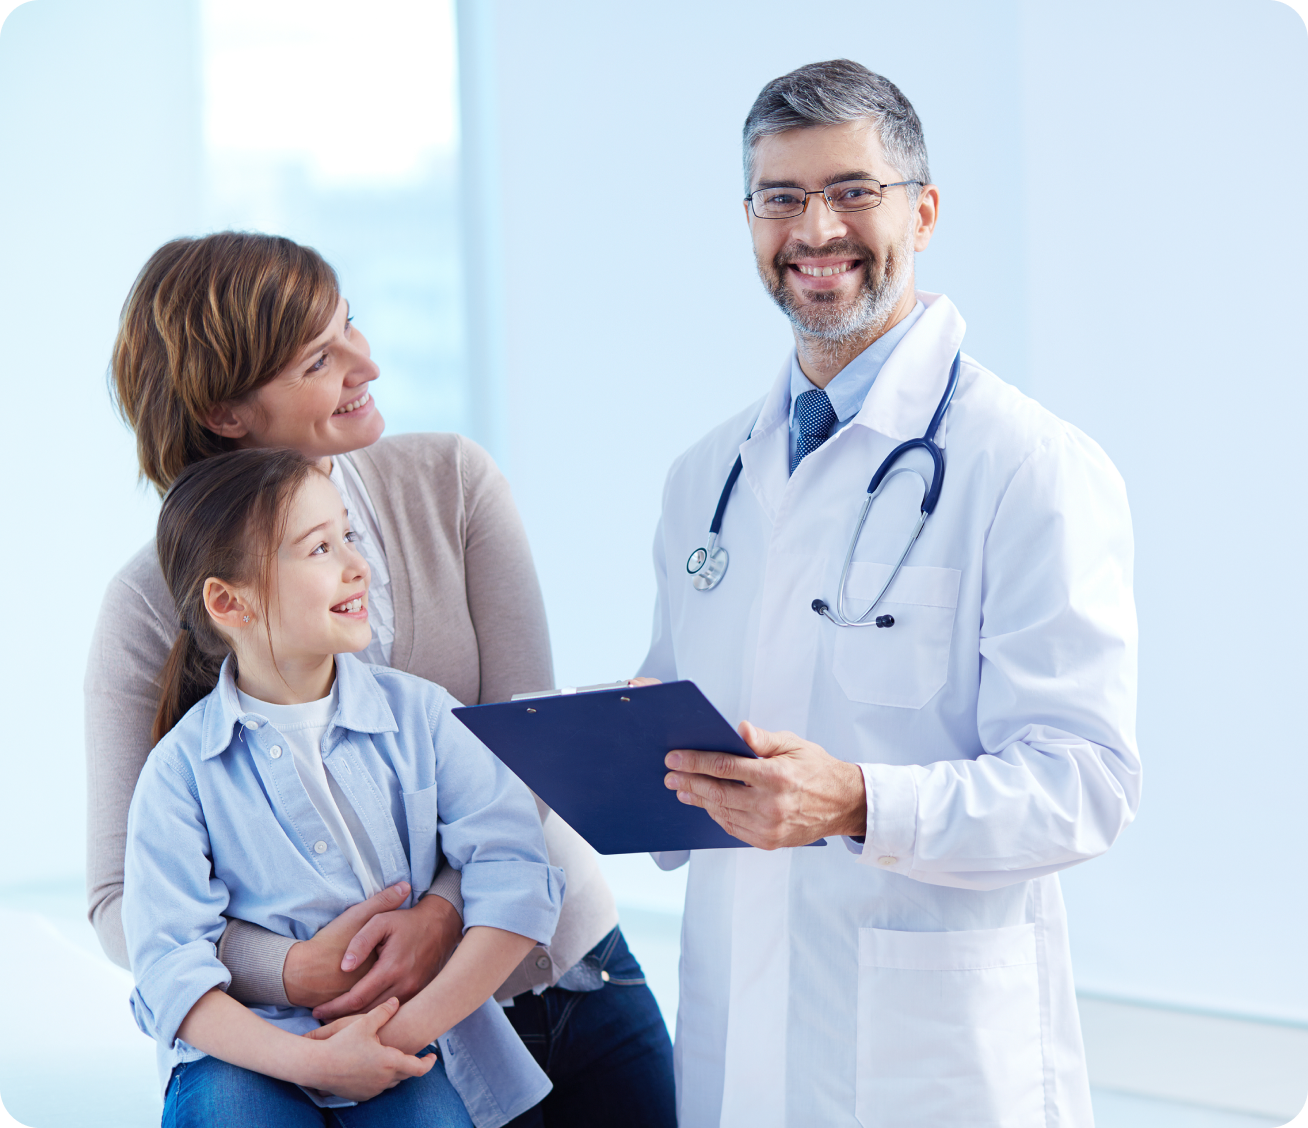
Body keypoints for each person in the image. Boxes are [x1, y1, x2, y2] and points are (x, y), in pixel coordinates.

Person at [640, 60, 1140, 1127]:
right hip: (740, 1052)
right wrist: (622, 750)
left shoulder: (1028, 466)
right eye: (781, 198)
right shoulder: (705, 480)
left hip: (933, 1067)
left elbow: (1085, 782)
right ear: (749, 221)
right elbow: (686, 728)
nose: (816, 227)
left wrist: (860, 801)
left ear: (925, 209)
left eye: (853, 191)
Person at [87, 232, 675, 1127]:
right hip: (336, 1047)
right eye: (321, 356)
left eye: (349, 324)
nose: (368, 361)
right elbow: (123, 900)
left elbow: (529, 752)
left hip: (561, 977)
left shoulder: (454, 483)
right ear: (228, 414)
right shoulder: (146, 606)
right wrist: (295, 972)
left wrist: (441, 913)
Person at [126, 447, 564, 1126]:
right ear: (227, 602)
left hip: (410, 1036)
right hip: (246, 1051)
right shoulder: (179, 772)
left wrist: (396, 1036)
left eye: (350, 536)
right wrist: (318, 1062)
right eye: (320, 547)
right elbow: (167, 968)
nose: (358, 564)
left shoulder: (426, 716)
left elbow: (515, 877)